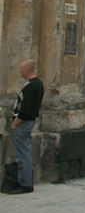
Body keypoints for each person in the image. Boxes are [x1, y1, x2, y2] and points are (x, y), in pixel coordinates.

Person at [6, 59, 44, 194]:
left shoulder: (31, 86)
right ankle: (25, 181)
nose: (20, 71)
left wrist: (15, 122)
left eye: (22, 69)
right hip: (28, 121)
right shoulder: (38, 84)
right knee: (24, 151)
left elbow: (26, 109)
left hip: (23, 122)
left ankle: (25, 183)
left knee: (22, 153)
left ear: (27, 70)